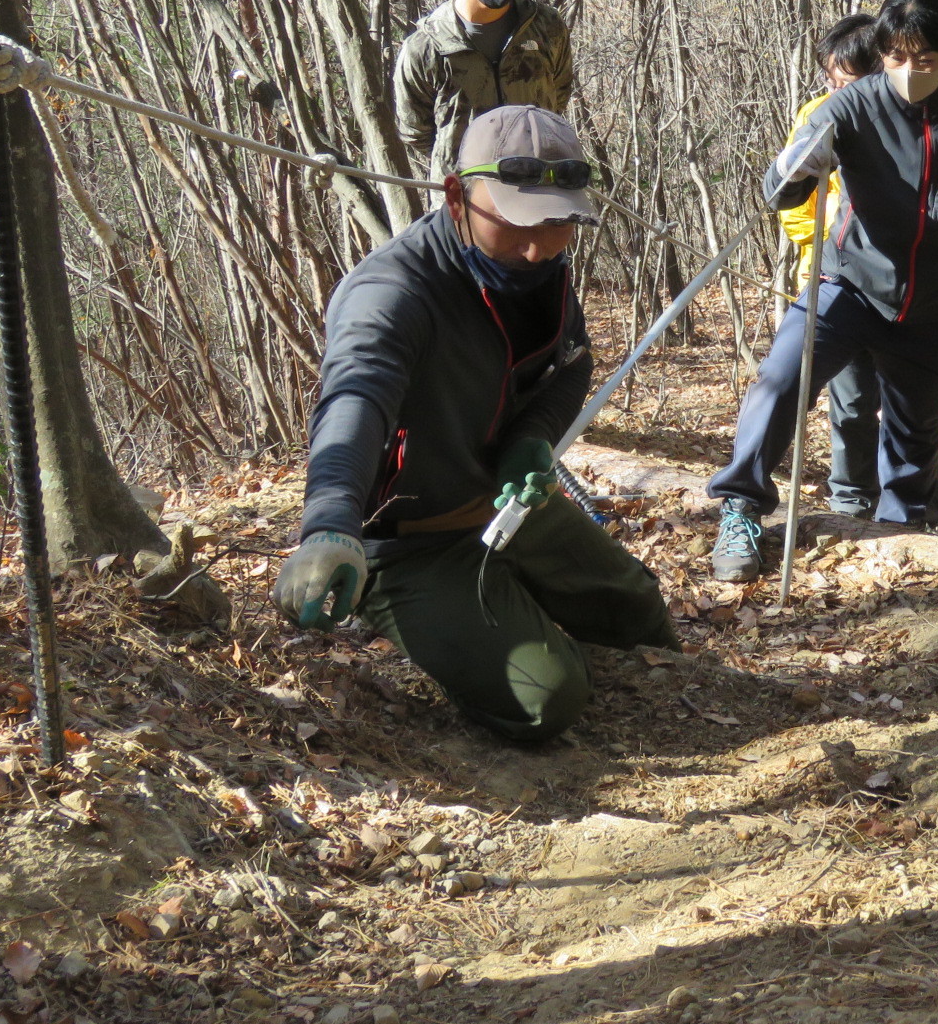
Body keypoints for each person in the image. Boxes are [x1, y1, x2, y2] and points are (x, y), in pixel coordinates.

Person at [275, 107, 676, 741]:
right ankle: (461, 615)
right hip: (411, 541)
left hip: (507, 507)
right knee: (548, 700)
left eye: (558, 222)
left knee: (641, 617)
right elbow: (356, 398)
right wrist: (329, 522)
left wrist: (530, 440)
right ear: (457, 196)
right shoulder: (393, 293)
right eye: (518, 221)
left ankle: (515, 596)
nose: (536, 245)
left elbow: (572, 365)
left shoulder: (540, 271)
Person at [705, 0, 938, 581]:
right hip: (846, 285)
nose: (909, 72)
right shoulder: (852, 107)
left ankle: (903, 541)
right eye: (896, 58)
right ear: (882, 53)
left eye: (924, 59)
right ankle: (741, 510)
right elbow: (780, 190)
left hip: (931, 306)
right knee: (779, 381)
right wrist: (793, 168)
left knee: (913, 440)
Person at [776, 16, 885, 519]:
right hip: (833, 276)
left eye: (848, 81)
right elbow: (792, 201)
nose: (837, 90)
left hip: (902, 283)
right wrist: (828, 243)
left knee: (907, 401)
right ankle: (852, 495)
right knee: (852, 394)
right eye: (832, 80)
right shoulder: (817, 116)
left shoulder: (906, 116)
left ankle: (913, 496)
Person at [394, 0, 576, 177]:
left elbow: (560, 94)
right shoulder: (426, 46)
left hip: (539, 190)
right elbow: (416, 131)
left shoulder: (546, 27)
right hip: (464, 201)